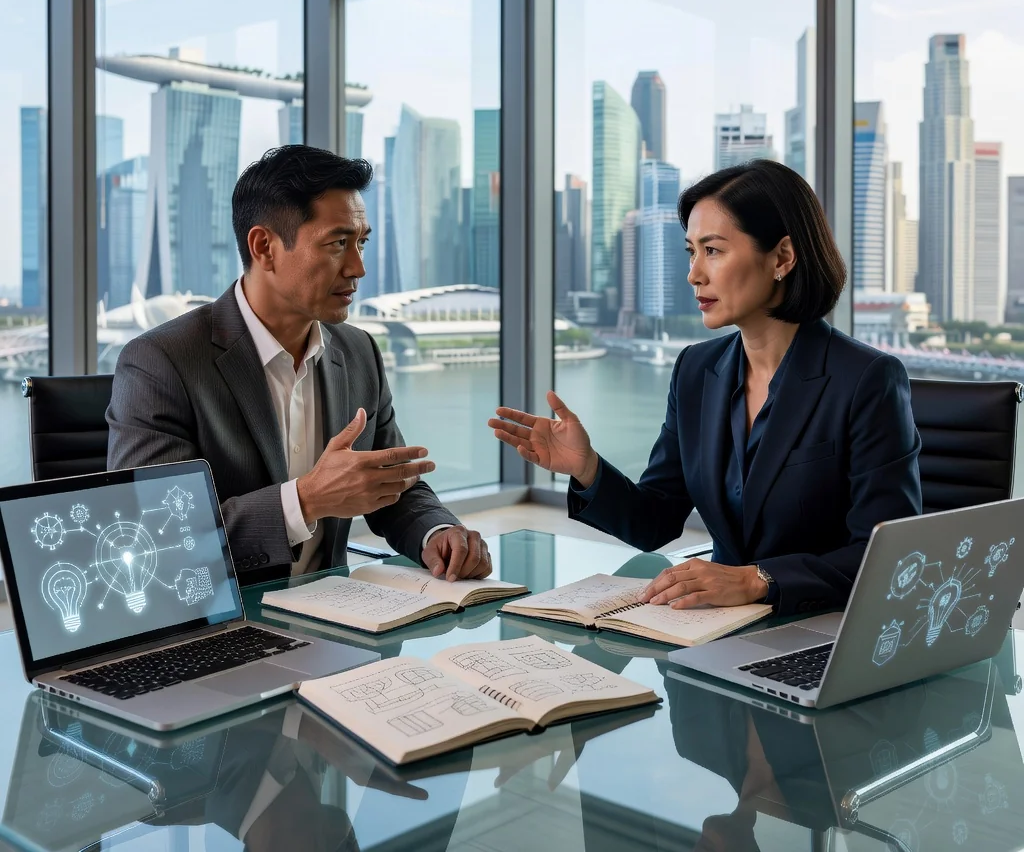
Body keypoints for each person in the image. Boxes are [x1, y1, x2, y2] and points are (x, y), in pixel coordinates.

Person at [490, 159, 921, 618]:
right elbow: (655, 521)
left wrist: (757, 579)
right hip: (714, 627)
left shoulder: (866, 379)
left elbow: (889, 558)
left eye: (712, 250)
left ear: (782, 258)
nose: (694, 274)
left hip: (823, 628)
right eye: (691, 252)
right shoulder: (696, 370)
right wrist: (587, 468)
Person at [107, 144, 490, 586]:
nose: (358, 268)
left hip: (337, 614)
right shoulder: (161, 362)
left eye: (361, 243)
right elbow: (157, 539)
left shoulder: (359, 352)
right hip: (223, 617)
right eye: (338, 243)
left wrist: (437, 532)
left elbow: (390, 485)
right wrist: (305, 501)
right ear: (264, 247)